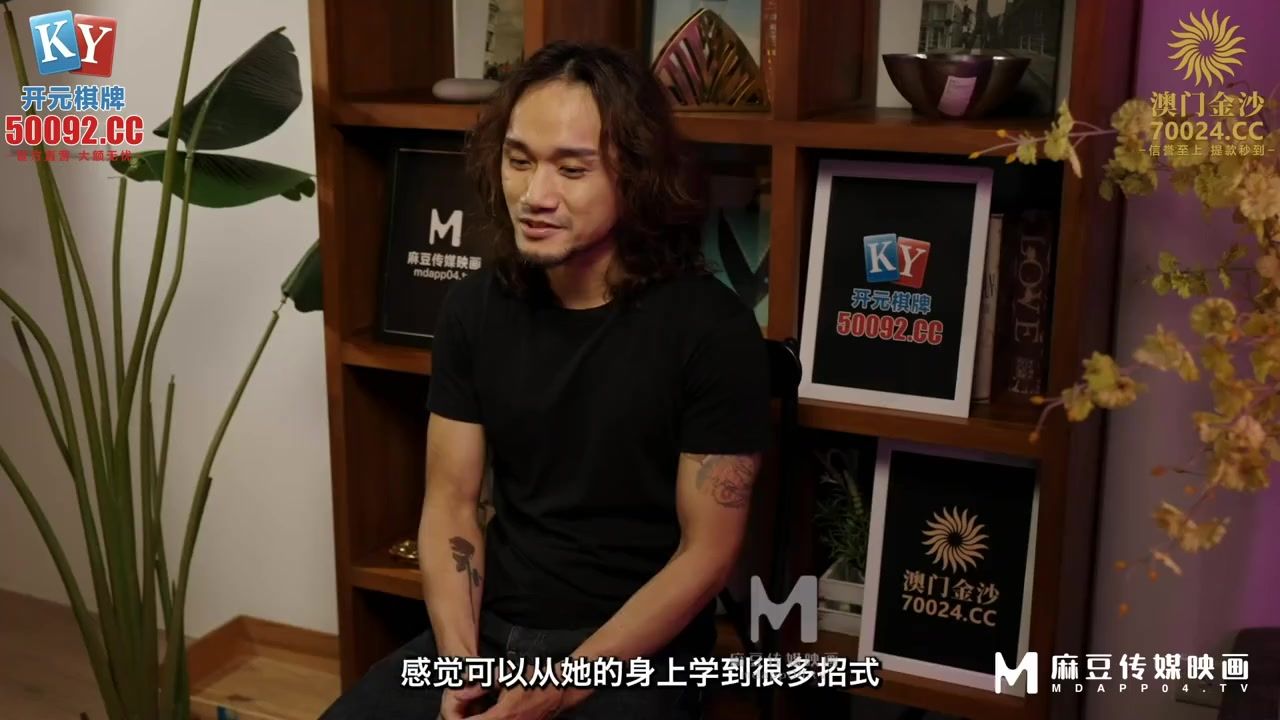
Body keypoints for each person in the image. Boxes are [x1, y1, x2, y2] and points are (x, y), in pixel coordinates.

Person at [321, 40, 772, 720]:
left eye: (572, 168)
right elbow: (451, 505)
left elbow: (706, 555)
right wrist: (459, 665)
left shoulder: (712, 331)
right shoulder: (474, 309)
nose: (535, 196)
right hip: (492, 632)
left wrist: (562, 685)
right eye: (519, 160)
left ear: (635, 173)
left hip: (636, 656)